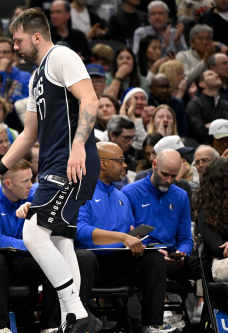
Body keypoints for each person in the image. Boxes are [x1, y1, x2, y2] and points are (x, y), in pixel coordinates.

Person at [0, 8, 102, 332]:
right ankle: (70, 320)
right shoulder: (36, 76)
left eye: (18, 40)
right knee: (60, 240)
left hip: (71, 160)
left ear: (36, 35)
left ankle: (77, 314)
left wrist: (78, 146)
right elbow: (28, 135)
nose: (15, 47)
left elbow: (91, 101)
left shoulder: (62, 56)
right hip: (53, 162)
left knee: (33, 233)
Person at [76, 142, 172, 333]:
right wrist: (122, 237)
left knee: (154, 258)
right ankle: (82, 323)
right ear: (102, 163)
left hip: (120, 261)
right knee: (83, 258)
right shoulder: (81, 191)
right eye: (120, 161)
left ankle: (152, 324)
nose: (125, 165)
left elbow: (127, 233)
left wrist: (136, 239)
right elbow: (80, 231)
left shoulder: (122, 196)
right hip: (93, 264)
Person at [0, 160, 62, 332]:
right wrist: (33, 244)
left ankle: (50, 325)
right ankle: (1, 326)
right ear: (7, 183)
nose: (31, 185)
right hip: (5, 264)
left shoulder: (35, 196)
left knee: (54, 261)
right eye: (25, 181)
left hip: (29, 260)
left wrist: (36, 214)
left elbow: (54, 231)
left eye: (31, 179)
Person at [123, 149, 198, 285]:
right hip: (143, 255)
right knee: (155, 261)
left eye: (173, 176)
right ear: (154, 165)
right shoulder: (130, 193)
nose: (168, 180)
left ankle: (205, 306)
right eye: (164, 174)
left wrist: (181, 252)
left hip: (172, 255)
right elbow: (127, 236)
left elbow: (186, 238)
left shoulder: (181, 196)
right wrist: (152, 251)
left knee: (200, 264)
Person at [187, 70, 228, 144]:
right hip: (204, 146)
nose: (216, 75)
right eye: (210, 74)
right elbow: (199, 131)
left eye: (215, 73)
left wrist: (210, 125)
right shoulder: (195, 104)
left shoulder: (225, 104)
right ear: (202, 84)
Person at [0, 37, 31, 103]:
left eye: (5, 52)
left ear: (13, 54)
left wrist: (11, 98)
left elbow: (29, 100)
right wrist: (1, 73)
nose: (1, 56)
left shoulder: (25, 76)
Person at [106, 115, 138, 181]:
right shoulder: (98, 155)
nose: (130, 143)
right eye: (126, 138)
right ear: (112, 136)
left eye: (132, 138)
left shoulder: (134, 155)